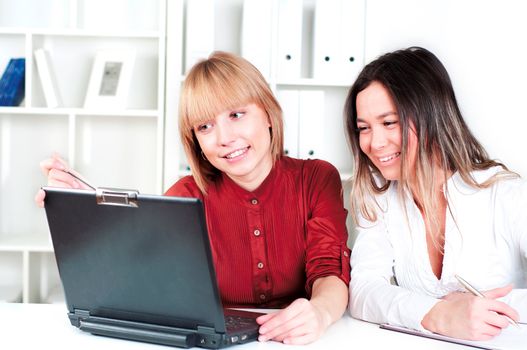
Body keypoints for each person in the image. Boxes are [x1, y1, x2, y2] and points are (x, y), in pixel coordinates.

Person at [35, 51, 351, 345]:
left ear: (269, 113)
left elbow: (329, 270)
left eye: (237, 114)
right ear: (196, 140)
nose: (225, 138)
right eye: (205, 126)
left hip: (299, 343)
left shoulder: (316, 178)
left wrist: (321, 311)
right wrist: (79, 216)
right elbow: (133, 274)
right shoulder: (185, 196)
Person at [345, 46, 526, 341]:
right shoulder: (379, 198)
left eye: (389, 122)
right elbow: (363, 292)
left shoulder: (504, 193)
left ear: (431, 115)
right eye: (364, 128)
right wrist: (437, 313)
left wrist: (476, 308)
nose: (375, 143)